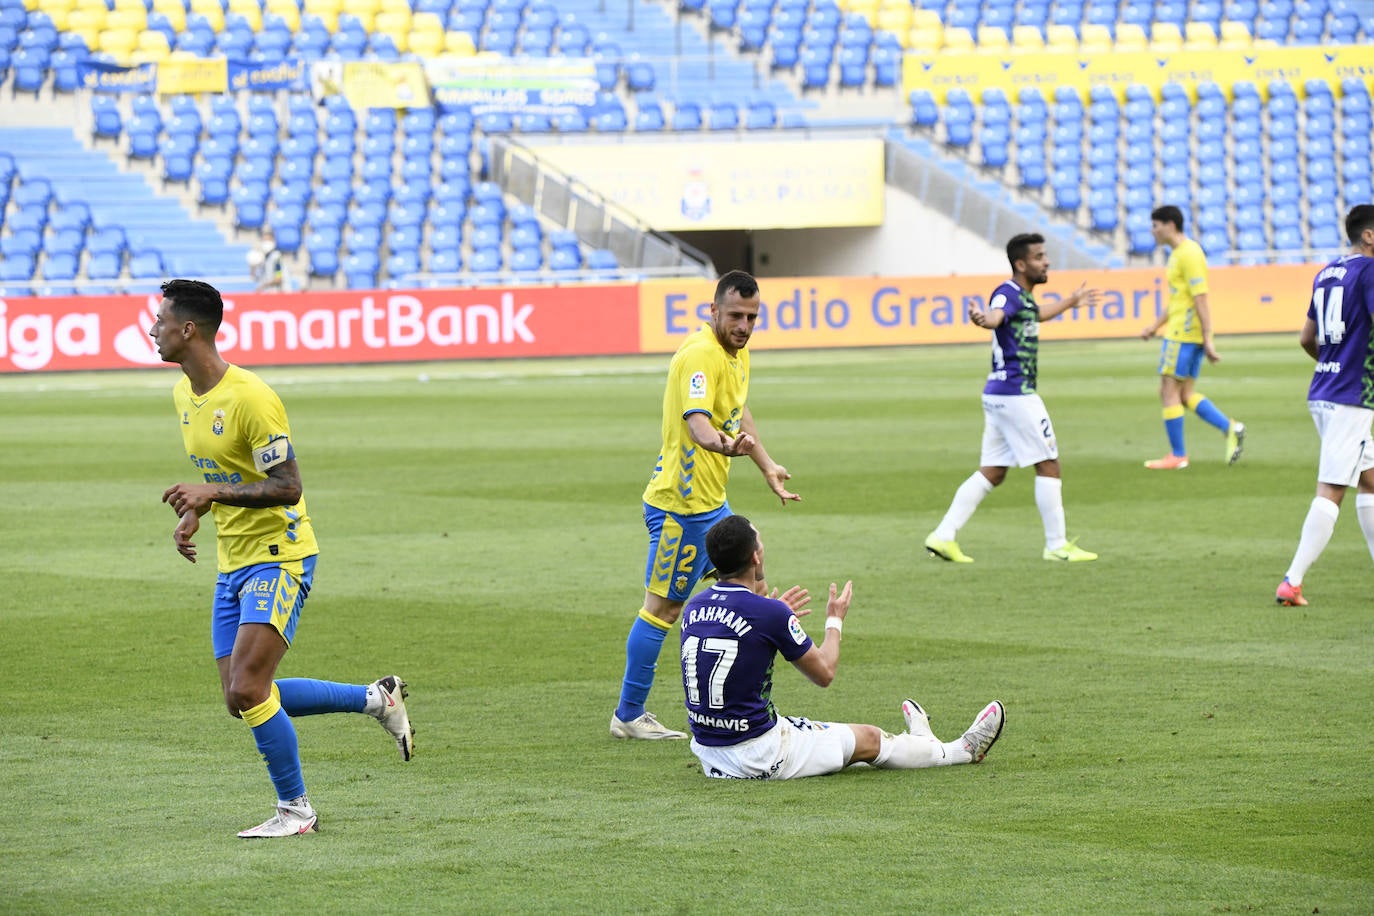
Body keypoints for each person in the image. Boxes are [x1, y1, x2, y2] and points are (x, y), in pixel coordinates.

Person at [150, 279, 414, 838]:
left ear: (188, 329)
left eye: (161, 321)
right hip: (233, 558)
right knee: (239, 697)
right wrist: (197, 509)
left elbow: (287, 486)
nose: (154, 329)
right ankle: (376, 699)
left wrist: (211, 495)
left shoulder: (251, 398)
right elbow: (225, 477)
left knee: (249, 689)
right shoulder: (183, 394)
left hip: (281, 553)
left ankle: (297, 812)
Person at [611, 269, 800, 740]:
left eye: (752, 316)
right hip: (681, 507)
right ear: (712, 311)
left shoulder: (737, 353)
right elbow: (698, 422)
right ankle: (629, 715)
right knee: (662, 609)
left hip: (711, 504)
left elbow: (737, 410)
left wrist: (765, 463)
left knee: (754, 581)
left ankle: (749, 698)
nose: (744, 324)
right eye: (735, 314)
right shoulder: (700, 355)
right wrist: (723, 446)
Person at [678, 514, 1004, 780]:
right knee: (870, 739)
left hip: (710, 751)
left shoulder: (695, 607)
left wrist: (771, 615)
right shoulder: (769, 613)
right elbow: (824, 672)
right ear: (755, 556)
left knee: (844, 747)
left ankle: (919, 743)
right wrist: (834, 621)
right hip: (758, 755)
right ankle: (960, 751)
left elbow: (740, 633)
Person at [924, 232, 1100, 564]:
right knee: (1048, 463)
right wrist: (983, 319)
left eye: (1045, 255)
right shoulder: (1007, 293)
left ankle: (943, 536)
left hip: (998, 394)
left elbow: (1037, 314)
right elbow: (996, 316)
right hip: (1017, 394)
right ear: (1021, 264)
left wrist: (1071, 301)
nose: (1046, 261)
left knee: (993, 470)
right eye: (1039, 257)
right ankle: (1056, 545)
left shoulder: (1024, 297)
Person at [1275, 205, 1374, 606]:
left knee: (1369, 480)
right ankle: (1292, 581)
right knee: (1332, 489)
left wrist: (1333, 365)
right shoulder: (1369, 272)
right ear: (1369, 236)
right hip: (1351, 398)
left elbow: (1305, 337)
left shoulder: (1329, 272)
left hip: (1324, 390)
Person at [1140, 205, 1246, 470]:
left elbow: (1201, 297)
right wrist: (1155, 326)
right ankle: (1230, 428)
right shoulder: (1178, 254)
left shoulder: (1189, 253)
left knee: (1168, 390)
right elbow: (1180, 297)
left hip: (1183, 334)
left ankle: (1178, 455)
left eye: (1155, 225)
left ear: (1170, 225)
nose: (1152, 231)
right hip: (1182, 330)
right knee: (1184, 394)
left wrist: (1208, 337)